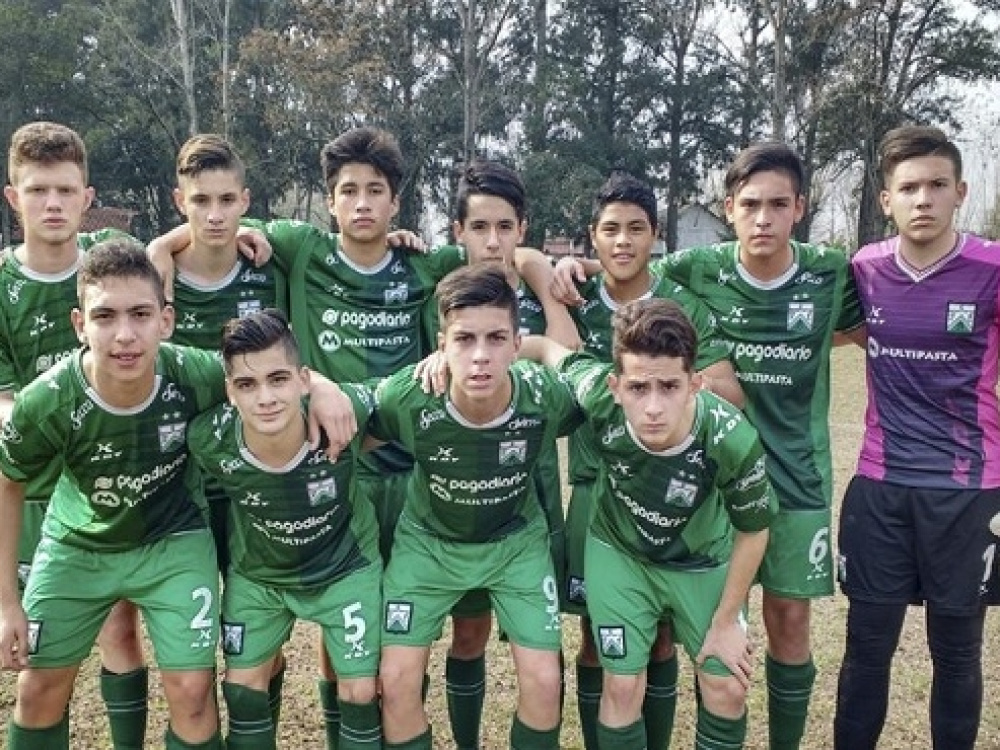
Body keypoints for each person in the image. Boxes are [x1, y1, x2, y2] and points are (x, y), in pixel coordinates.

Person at [244, 126, 570, 745]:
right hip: (340, 467)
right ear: (329, 200)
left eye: (376, 191)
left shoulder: (426, 263)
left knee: (433, 634)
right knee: (349, 633)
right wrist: (186, 243)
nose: (362, 202)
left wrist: (541, 262)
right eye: (348, 191)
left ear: (397, 202)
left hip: (421, 470)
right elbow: (220, 219)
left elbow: (499, 255)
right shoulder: (302, 247)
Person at [554, 144, 863, 750]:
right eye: (751, 204)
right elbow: (615, 270)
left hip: (782, 472)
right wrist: (559, 267)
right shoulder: (691, 269)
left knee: (783, 623)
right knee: (635, 640)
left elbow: (871, 325)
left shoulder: (827, 272)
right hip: (650, 486)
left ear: (800, 207)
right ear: (729, 208)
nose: (764, 218)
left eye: (778, 204)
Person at [0, 240, 356, 749]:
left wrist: (321, 385)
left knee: (191, 692)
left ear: (166, 321)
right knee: (36, 690)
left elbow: (261, 371)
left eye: (140, 314)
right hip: (78, 545)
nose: (125, 335)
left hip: (174, 541)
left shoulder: (192, 373)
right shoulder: (48, 399)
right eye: (105, 317)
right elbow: (7, 480)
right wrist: (6, 603)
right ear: (79, 325)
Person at [522, 297, 777, 750]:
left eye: (669, 386)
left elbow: (754, 529)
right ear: (616, 386)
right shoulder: (597, 393)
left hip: (703, 561)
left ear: (695, 384)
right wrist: (449, 358)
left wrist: (725, 623)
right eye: (638, 388)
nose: (653, 407)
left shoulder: (731, 438)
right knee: (621, 685)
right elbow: (544, 348)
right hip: (620, 553)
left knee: (727, 685)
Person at [551, 172, 741, 750]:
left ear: (655, 235)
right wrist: (547, 269)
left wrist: (659, 397)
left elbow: (730, 392)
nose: (623, 241)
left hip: (669, 489)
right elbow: (548, 349)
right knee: (598, 641)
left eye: (636, 228)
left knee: (659, 640)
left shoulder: (681, 305)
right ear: (593, 235)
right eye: (610, 229)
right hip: (595, 490)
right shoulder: (577, 299)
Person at [834, 125, 1000, 749]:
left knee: (956, 654)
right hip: (881, 487)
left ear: (960, 192)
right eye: (908, 188)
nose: (923, 199)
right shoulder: (864, 269)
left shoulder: (992, 269)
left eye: (936, 185)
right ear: (887, 200)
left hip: (968, 493)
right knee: (865, 651)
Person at [373, 264, 582, 750]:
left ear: (515, 344)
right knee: (397, 680)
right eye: (464, 339)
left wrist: (548, 350)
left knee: (545, 681)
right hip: (427, 545)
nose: (481, 356)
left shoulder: (544, 396)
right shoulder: (411, 394)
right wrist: (323, 393)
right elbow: (349, 422)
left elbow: (604, 396)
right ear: (441, 345)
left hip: (515, 543)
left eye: (496, 339)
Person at [0, 121, 149, 749]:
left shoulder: (110, 254)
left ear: (87, 197)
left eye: (65, 190)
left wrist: (248, 232)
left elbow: (186, 239)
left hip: (109, 479)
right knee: (37, 658)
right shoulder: (2, 284)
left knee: (120, 629)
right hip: (37, 487)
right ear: (14, 197)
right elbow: (6, 406)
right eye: (38, 191)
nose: (53, 204)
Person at [422, 159, 573, 750]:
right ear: (458, 231)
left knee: (539, 645)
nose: (492, 241)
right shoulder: (444, 293)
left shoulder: (537, 287)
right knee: (468, 632)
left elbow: (569, 358)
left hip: (531, 484)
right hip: (459, 484)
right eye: (479, 227)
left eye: (505, 227)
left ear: (522, 229)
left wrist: (538, 275)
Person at [188, 308, 381, 750]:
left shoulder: (342, 413)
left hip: (345, 568)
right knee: (241, 691)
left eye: (278, 379)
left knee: (361, 693)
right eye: (246, 384)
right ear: (229, 392)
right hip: (259, 577)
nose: (265, 398)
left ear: (303, 379)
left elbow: (403, 395)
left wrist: (441, 361)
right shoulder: (207, 439)